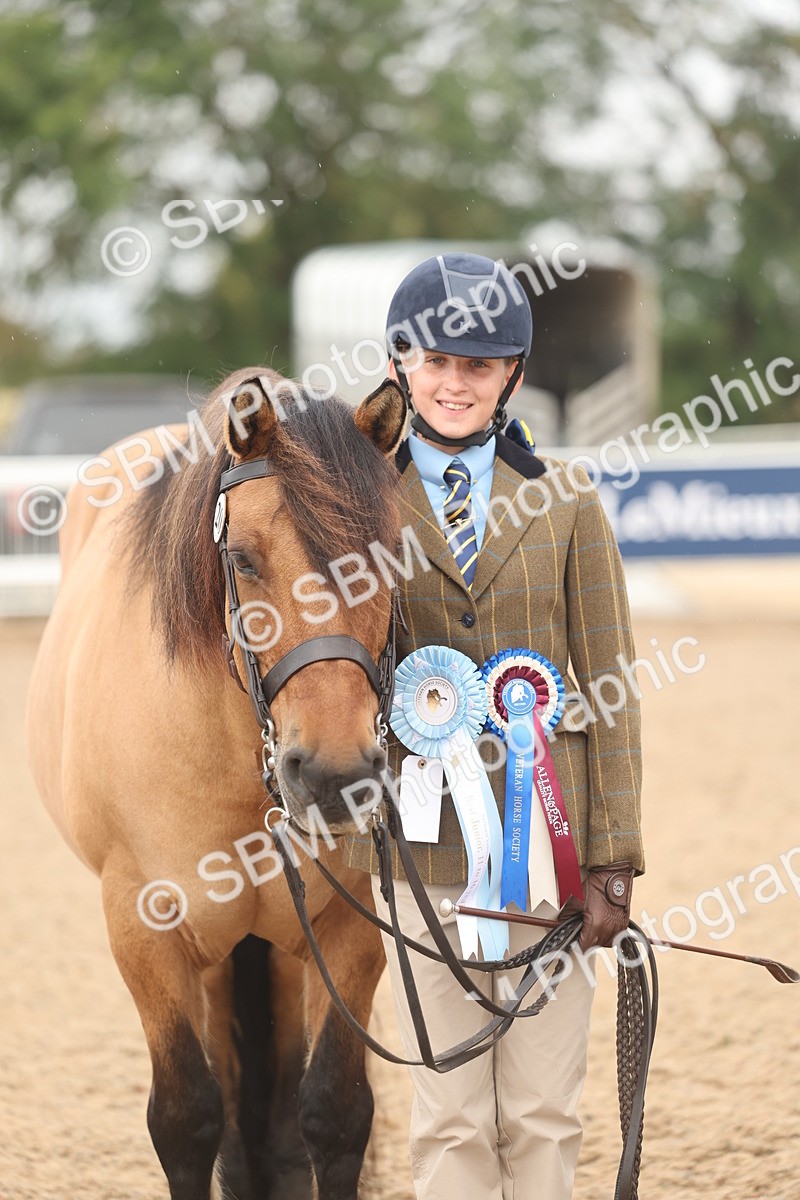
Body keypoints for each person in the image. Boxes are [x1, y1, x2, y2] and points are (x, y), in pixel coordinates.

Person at [344, 252, 643, 1200]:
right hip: (422, 848)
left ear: (511, 372)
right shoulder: (356, 505)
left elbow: (609, 689)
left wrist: (613, 858)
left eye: (477, 366)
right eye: (435, 362)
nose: (454, 383)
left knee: (547, 1110)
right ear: (400, 364)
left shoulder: (568, 503)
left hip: (548, 853)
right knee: (451, 1114)